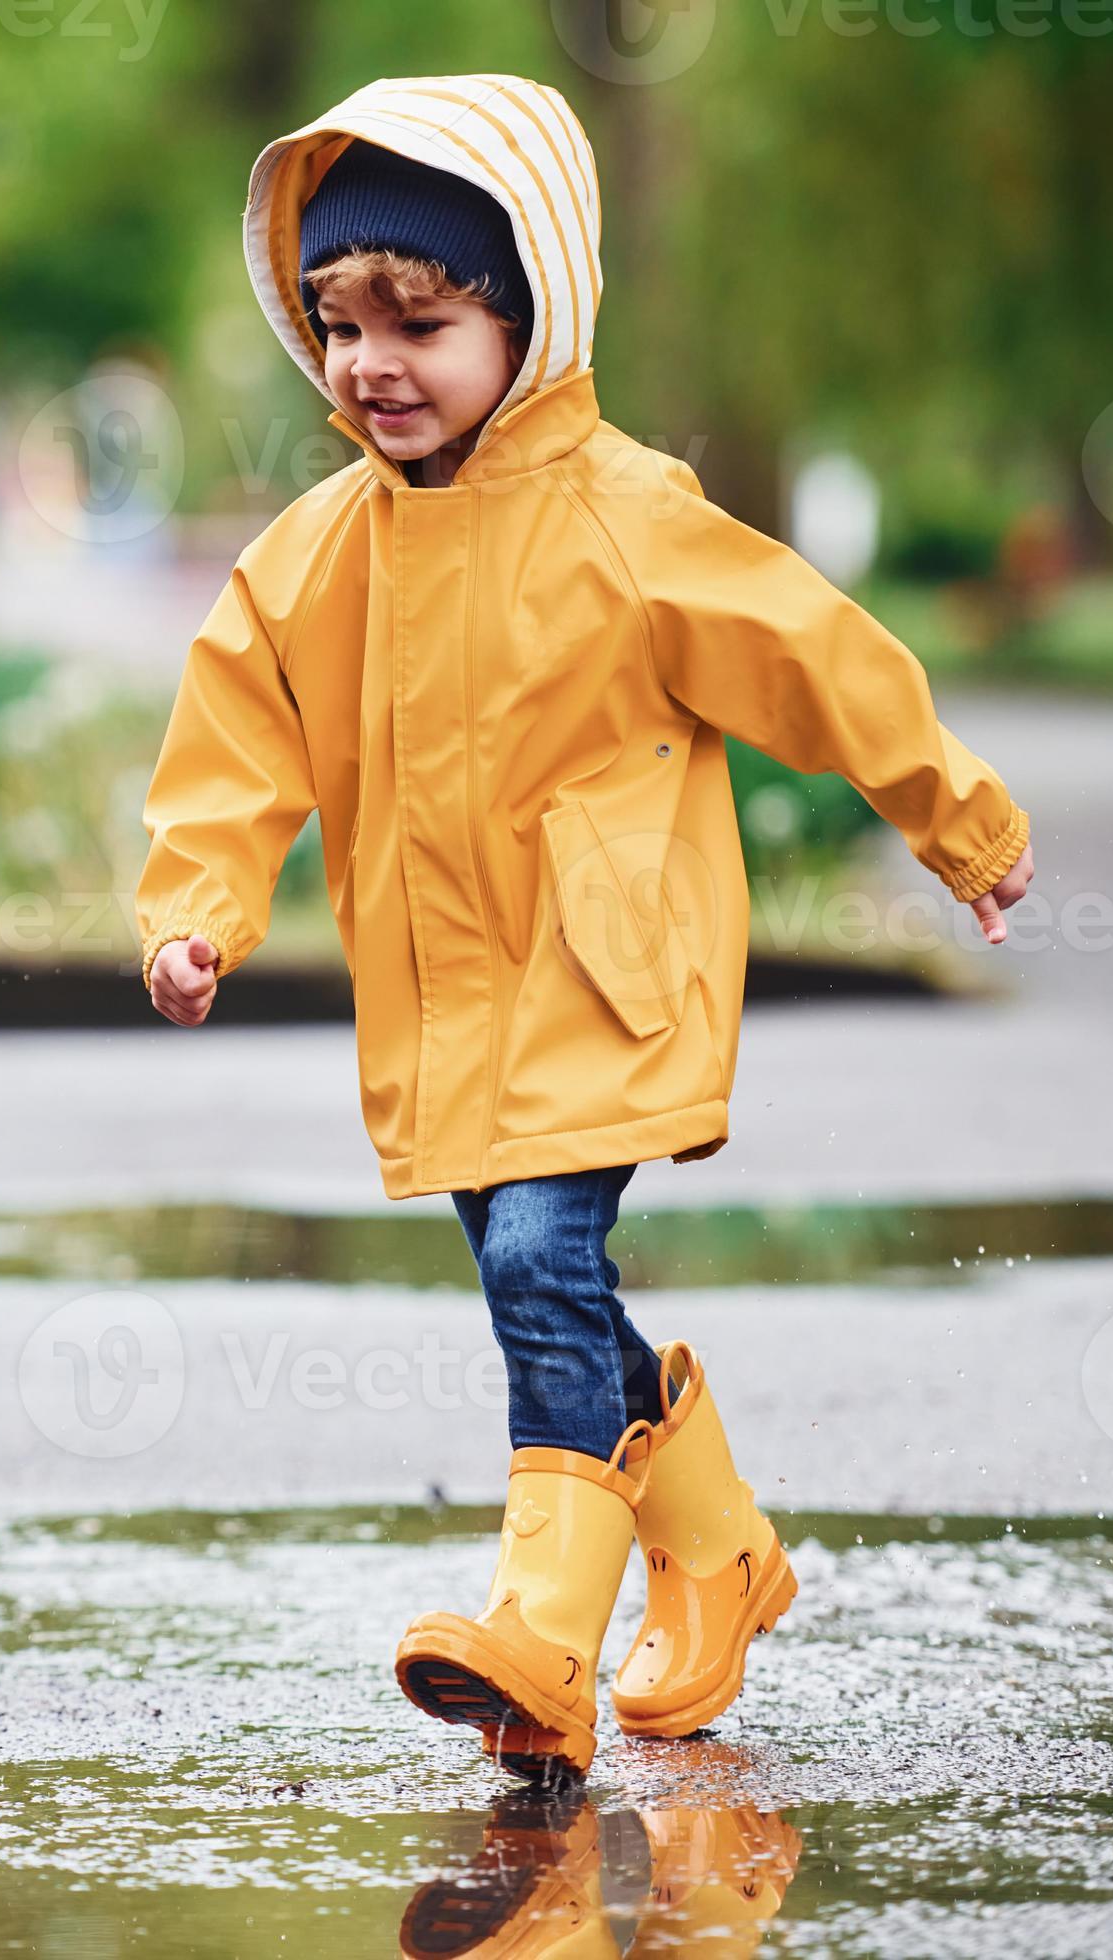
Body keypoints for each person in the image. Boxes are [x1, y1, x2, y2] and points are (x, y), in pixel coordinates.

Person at [135, 75, 1036, 1782]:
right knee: (538, 1278)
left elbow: (816, 656)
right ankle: (720, 1551)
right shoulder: (320, 556)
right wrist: (197, 905)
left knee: (544, 1263)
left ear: (528, 314)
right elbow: (233, 733)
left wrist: (958, 819)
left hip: (606, 978)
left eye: (424, 317)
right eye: (339, 322)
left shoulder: (629, 515)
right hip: (443, 1003)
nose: (373, 363)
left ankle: (541, 1635)